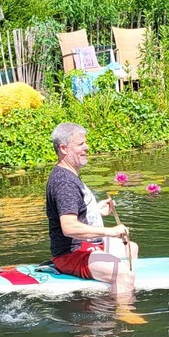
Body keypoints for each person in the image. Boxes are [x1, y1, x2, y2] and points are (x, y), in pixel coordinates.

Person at [46, 122, 138, 296]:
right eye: (80, 144)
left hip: (86, 246)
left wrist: (95, 210)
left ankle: (117, 289)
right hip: (70, 254)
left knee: (131, 248)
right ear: (64, 148)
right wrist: (109, 231)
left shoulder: (68, 174)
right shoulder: (65, 182)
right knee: (123, 273)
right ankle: (124, 314)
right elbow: (69, 227)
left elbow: (73, 211)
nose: (87, 147)